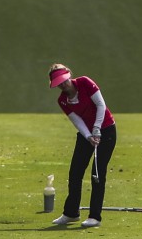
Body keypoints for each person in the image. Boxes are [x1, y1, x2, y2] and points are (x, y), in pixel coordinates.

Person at [48, 63, 117, 228]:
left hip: (106, 130)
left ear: (69, 75)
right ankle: (71, 213)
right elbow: (77, 120)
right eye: (59, 83)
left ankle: (95, 217)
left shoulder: (85, 82)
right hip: (87, 134)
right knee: (75, 173)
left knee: (97, 174)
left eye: (64, 80)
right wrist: (88, 135)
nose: (63, 85)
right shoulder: (63, 100)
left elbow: (101, 105)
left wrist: (97, 129)